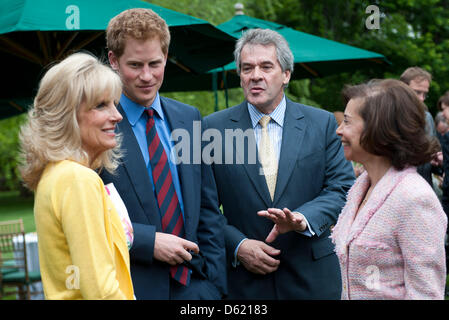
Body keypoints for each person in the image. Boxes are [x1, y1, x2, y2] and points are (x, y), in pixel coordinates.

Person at [202, 28, 355, 299]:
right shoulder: (212, 128)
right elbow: (203, 206)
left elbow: (342, 188)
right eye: (247, 68)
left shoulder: (322, 124)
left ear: (286, 74)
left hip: (311, 278)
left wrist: (302, 219)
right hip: (243, 284)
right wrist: (238, 245)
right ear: (240, 76)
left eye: (266, 66)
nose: (255, 75)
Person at [100, 8, 226, 300]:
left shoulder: (190, 118)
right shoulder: (96, 126)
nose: (147, 76)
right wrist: (146, 242)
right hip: (132, 288)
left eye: (155, 64)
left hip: (198, 288)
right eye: (135, 65)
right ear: (113, 60)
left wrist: (216, 286)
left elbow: (207, 208)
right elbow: (91, 213)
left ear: (166, 57)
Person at [18, 52, 134, 299]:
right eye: (101, 105)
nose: (117, 116)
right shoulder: (77, 180)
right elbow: (101, 291)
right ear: (67, 114)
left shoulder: (56, 174)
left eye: (114, 103)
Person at [331, 79, 447, 299]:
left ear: (378, 127)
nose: (339, 130)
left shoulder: (414, 198)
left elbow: (426, 294)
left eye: (347, 122)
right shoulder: (361, 186)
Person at [400, 67, 439, 187]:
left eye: (425, 94)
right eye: (417, 92)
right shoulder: (388, 117)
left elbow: (433, 156)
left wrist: (436, 162)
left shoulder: (427, 117)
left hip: (423, 188)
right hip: (398, 190)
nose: (422, 98)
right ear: (402, 89)